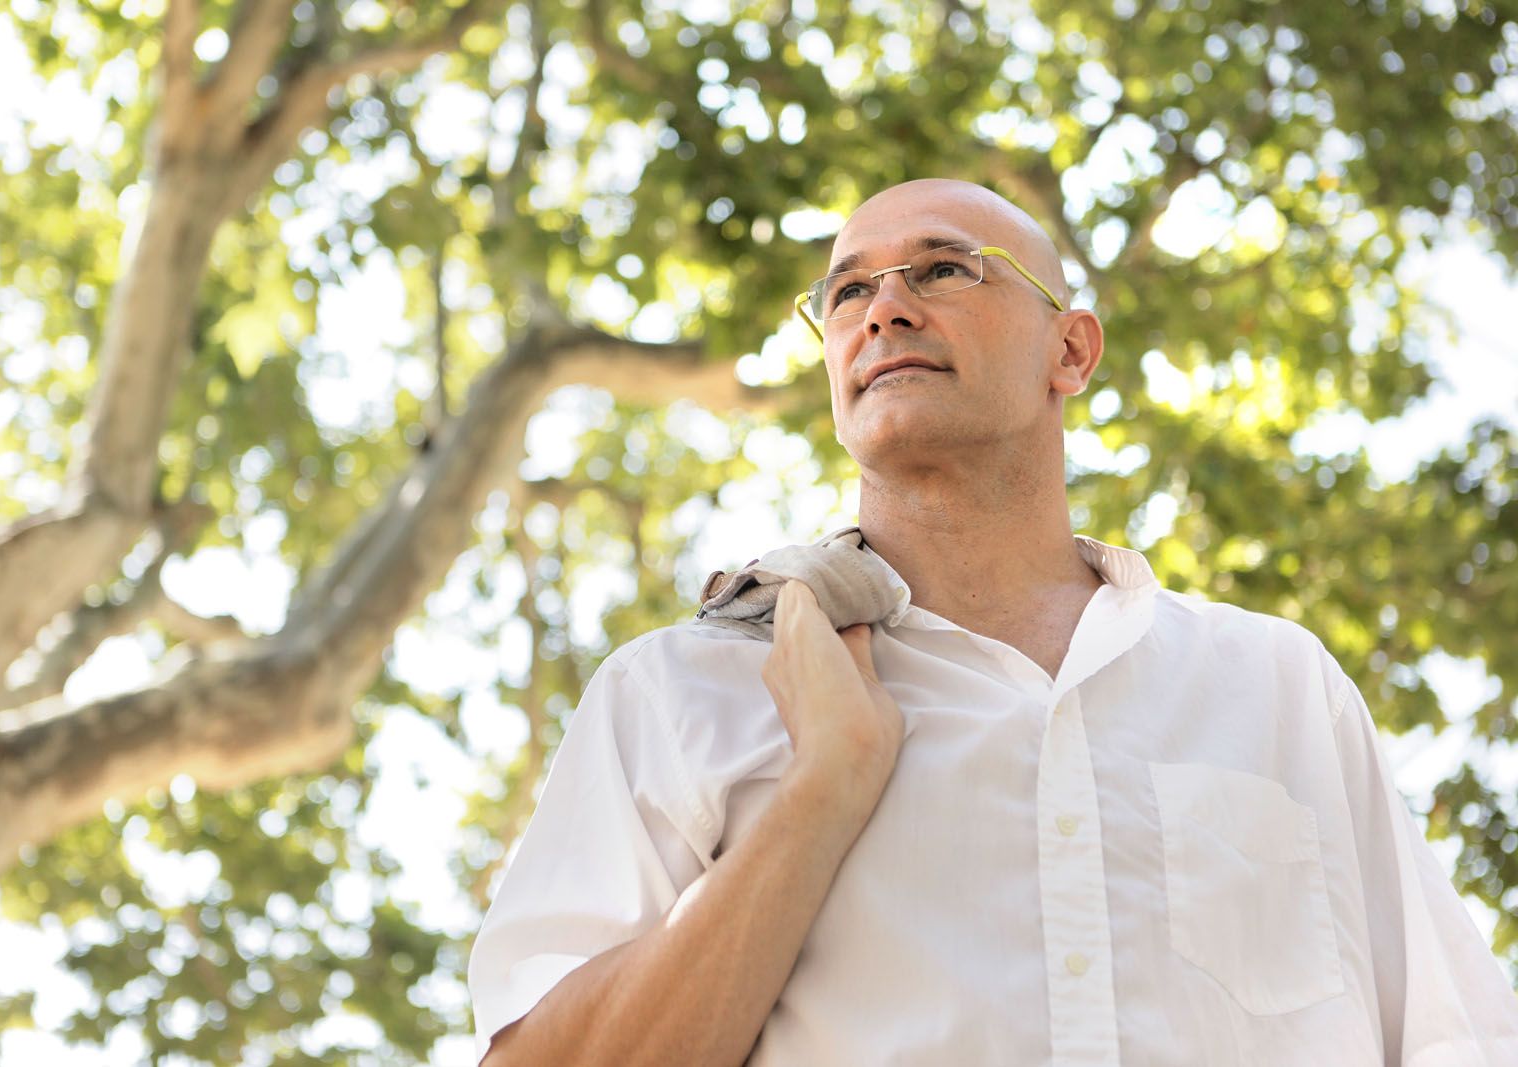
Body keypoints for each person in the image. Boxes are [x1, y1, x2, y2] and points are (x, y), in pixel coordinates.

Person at [466, 178, 1518, 1065]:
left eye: (941, 269)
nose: (882, 309)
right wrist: (823, 788)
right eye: (846, 290)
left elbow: (1452, 1033)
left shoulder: (1276, 681)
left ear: (1070, 350)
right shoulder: (678, 690)